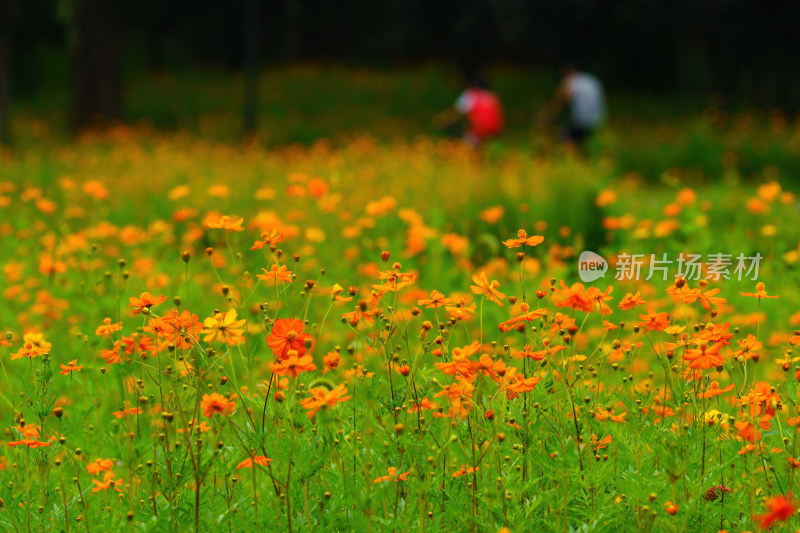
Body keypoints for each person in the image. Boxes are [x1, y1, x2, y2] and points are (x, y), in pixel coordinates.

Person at [537, 63, 605, 152]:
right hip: (599, 119)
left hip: (582, 120)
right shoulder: (591, 79)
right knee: (577, 135)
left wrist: (545, 116)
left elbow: (560, 102)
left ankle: (572, 155)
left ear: (568, 70)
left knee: (563, 133)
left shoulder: (570, 81)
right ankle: (581, 152)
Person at [436, 71, 504, 147]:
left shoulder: (471, 94)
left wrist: (443, 120)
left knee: (465, 145)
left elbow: (457, 112)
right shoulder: (492, 96)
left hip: (478, 131)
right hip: (495, 130)